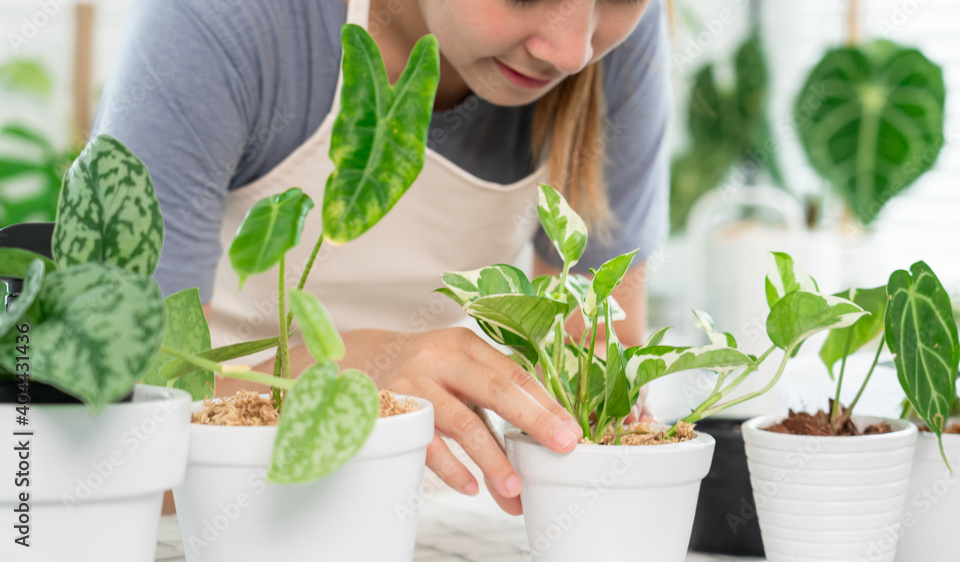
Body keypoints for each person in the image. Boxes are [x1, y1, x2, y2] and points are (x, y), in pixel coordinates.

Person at [95, 0, 670, 515]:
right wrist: (351, 374)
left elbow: (594, 339)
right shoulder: (223, 21)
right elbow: (118, 424)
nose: (571, 52)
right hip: (208, 508)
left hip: (428, 507)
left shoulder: (613, 47)